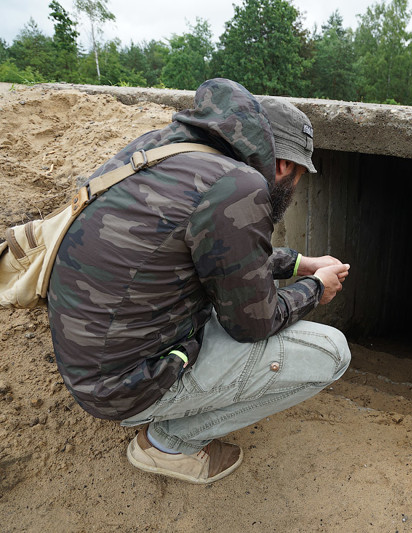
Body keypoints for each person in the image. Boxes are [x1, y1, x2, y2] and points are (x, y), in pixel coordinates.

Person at [47, 78, 352, 484]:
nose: (294, 189)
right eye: (298, 177)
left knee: (219, 304)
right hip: (122, 385)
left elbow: (210, 254)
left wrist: (299, 264)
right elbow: (253, 324)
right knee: (331, 352)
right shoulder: (240, 187)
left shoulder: (163, 149)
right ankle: (169, 444)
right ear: (284, 166)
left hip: (89, 357)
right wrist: (316, 289)